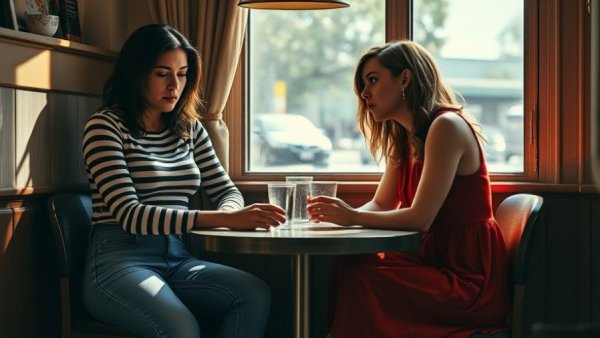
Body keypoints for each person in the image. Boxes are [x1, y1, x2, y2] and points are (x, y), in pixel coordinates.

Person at [81, 24, 286, 338]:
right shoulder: (104, 126)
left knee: (253, 293)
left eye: (183, 73)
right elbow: (130, 215)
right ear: (136, 74)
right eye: (162, 73)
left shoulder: (189, 129)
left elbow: (226, 189)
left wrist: (232, 212)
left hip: (177, 257)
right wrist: (226, 219)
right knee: (181, 329)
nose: (174, 85)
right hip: (118, 261)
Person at [306, 40, 510, 337]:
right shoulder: (405, 137)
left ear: (404, 79)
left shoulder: (446, 127)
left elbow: (419, 219)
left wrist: (351, 217)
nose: (364, 94)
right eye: (364, 84)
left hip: (466, 281)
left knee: (362, 275)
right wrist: (333, 222)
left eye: (373, 80)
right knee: (349, 263)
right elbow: (381, 203)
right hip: (431, 262)